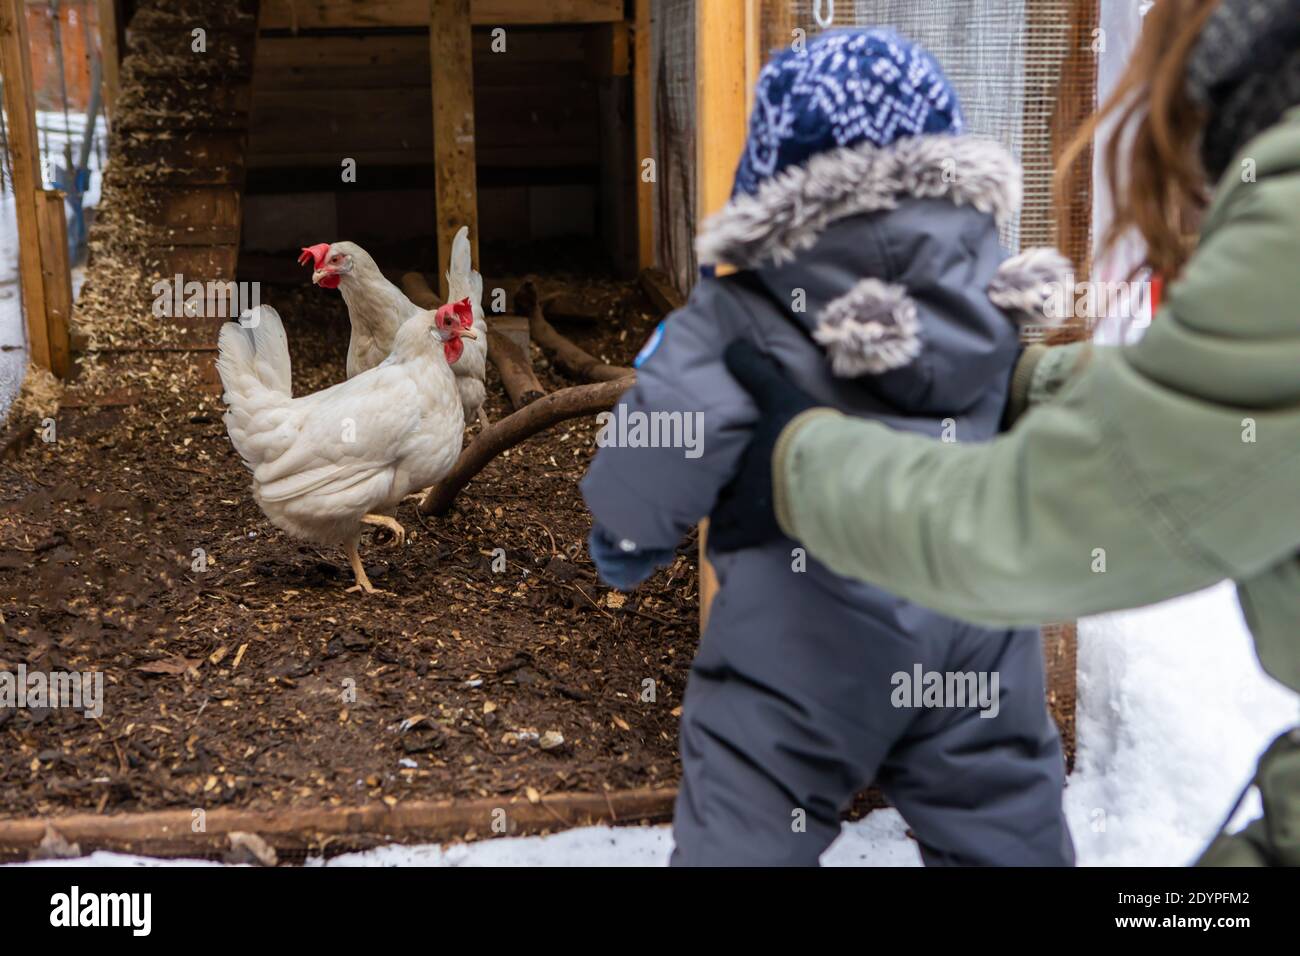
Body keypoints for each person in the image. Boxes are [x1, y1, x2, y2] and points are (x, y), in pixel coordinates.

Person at [707, 0, 1300, 866]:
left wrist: (785, 459)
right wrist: (1023, 384)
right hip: (977, 661)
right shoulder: (976, 271)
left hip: (848, 618)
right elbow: (1210, 406)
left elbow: (1032, 525)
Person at [581, 29, 1080, 866]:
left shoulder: (735, 314)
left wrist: (625, 543)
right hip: (976, 625)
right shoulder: (985, 287)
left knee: (748, 807)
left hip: (805, 634)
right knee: (1001, 814)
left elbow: (644, 476)